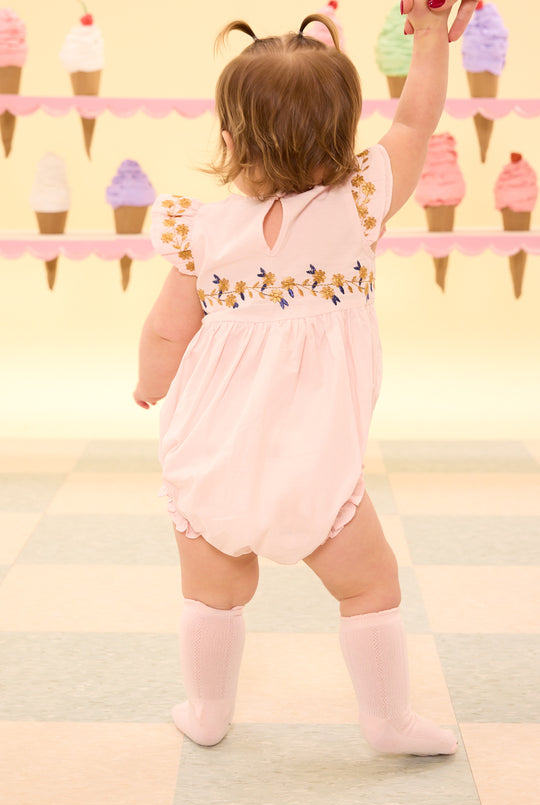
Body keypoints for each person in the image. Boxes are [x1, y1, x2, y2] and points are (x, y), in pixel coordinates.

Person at [134, 0, 471, 756]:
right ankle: (386, 722)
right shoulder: (358, 205)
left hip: (211, 456)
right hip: (317, 466)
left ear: (228, 139)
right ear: (346, 139)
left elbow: (166, 327)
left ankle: (207, 710)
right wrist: (425, 41)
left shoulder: (201, 229)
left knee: (211, 594)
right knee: (369, 585)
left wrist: (151, 383)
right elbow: (416, 123)